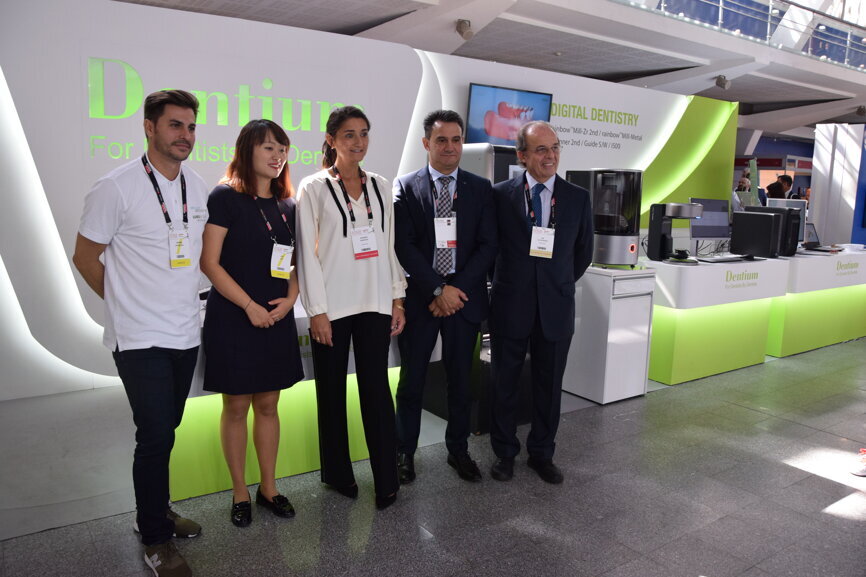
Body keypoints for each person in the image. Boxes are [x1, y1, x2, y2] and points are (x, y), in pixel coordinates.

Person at [73, 90, 206, 577]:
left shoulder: (196, 184)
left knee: (166, 430)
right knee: (153, 435)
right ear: (149, 128)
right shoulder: (117, 186)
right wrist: (124, 303)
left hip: (185, 333)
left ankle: (156, 509)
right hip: (138, 338)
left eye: (190, 127)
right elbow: (85, 256)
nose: (184, 136)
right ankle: (154, 538)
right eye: (175, 126)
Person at [295, 106, 406, 510]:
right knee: (330, 392)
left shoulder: (380, 185)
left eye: (363, 134)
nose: (357, 142)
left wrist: (396, 297)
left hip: (375, 302)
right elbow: (306, 253)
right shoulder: (313, 187)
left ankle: (387, 479)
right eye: (348, 135)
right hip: (333, 307)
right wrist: (317, 311)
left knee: (377, 391)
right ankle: (338, 474)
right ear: (331, 140)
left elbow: (389, 245)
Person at [200, 119, 305, 528]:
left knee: (268, 404)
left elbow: (294, 262)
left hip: (276, 316)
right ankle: (240, 492)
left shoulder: (287, 205)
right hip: (234, 316)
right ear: (247, 150)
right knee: (236, 405)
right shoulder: (224, 198)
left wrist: (291, 299)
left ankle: (269, 488)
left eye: (282, 149)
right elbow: (210, 263)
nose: (278, 156)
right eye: (269, 148)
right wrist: (249, 306)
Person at [392, 110, 497, 484]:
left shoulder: (480, 188)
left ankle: (459, 449)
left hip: (463, 301)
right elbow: (403, 245)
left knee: (461, 381)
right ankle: (404, 452)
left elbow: (487, 246)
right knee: (412, 381)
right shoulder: (405, 186)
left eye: (456, 140)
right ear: (426, 143)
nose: (450, 147)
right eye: (441, 140)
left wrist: (455, 290)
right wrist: (437, 288)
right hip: (422, 299)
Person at [487, 120, 593, 485]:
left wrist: (555, 284)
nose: (550, 156)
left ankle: (542, 454)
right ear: (522, 155)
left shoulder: (578, 197)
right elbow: (489, 249)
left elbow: (583, 254)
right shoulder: (500, 195)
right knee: (505, 382)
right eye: (541, 150)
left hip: (555, 306)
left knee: (549, 387)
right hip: (510, 303)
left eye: (555, 148)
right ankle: (504, 453)